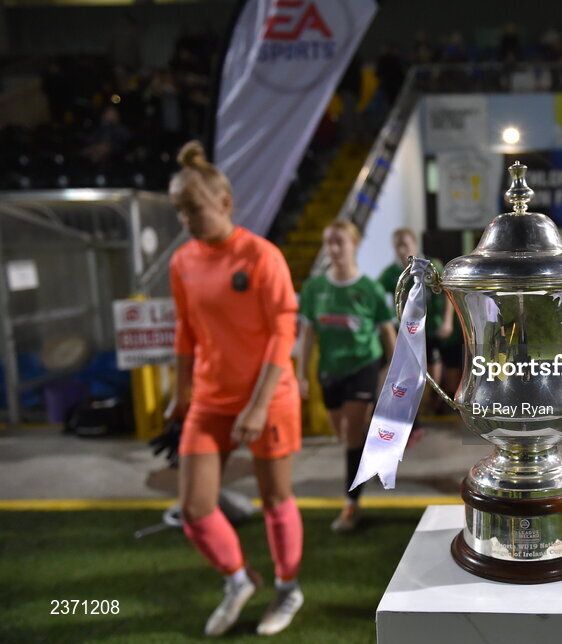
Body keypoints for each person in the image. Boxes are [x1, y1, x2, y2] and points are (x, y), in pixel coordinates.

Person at [166, 140, 304, 636]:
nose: (186, 219)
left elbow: (283, 331)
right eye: (179, 211)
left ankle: (288, 589)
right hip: (209, 398)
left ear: (224, 202)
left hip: (267, 398)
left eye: (194, 208)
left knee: (274, 500)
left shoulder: (261, 256)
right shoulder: (182, 262)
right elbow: (185, 330)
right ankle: (239, 578)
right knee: (195, 510)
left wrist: (257, 404)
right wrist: (179, 391)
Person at [297, 220, 396, 532]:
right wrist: (301, 374)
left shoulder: (370, 290)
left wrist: (394, 378)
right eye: (329, 243)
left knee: (351, 433)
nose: (334, 249)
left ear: (354, 245)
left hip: (363, 367)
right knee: (342, 435)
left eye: (340, 242)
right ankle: (372, 447)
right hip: (329, 371)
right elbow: (308, 335)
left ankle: (351, 504)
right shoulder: (314, 289)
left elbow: (388, 336)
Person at [377, 228, 454, 417]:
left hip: (430, 327)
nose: (401, 250)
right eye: (397, 246)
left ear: (414, 245)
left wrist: (447, 321)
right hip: (405, 331)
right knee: (407, 372)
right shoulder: (391, 273)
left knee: (433, 372)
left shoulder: (431, 265)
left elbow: (447, 294)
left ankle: (431, 403)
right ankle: (410, 411)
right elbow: (376, 295)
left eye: (405, 244)